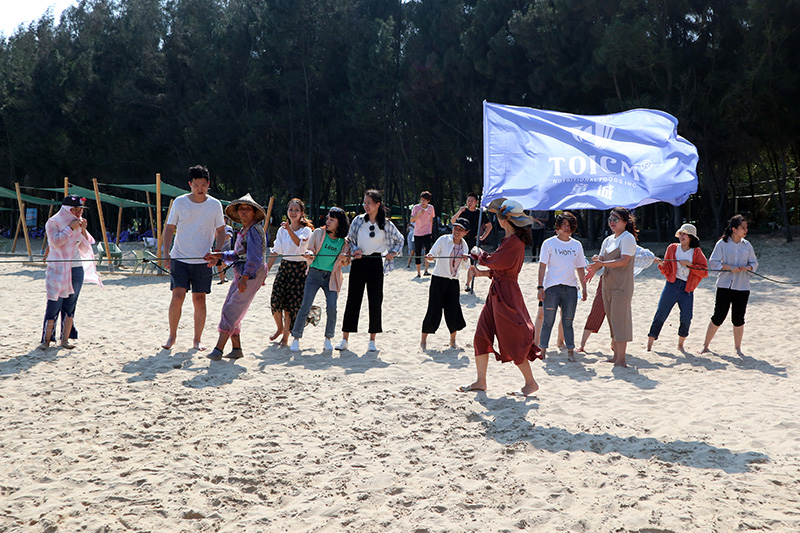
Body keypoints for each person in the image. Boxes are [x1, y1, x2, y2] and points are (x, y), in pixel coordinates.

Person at [458, 198, 541, 397]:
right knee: (481, 335)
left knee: (513, 339)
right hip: (497, 292)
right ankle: (481, 381)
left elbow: (495, 261)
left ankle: (530, 383)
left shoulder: (514, 242)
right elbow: (500, 269)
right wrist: (481, 273)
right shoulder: (509, 240)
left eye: (498, 216)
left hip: (506, 295)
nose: (496, 219)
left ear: (506, 220)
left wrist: (479, 254)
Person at [161, 165, 226, 351]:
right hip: (180, 257)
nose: (200, 188)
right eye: (196, 185)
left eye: (203, 185)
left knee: (199, 299)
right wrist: (166, 253)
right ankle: (172, 336)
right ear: (190, 184)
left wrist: (217, 252)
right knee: (178, 296)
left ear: (208, 184)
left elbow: (221, 230)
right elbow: (169, 228)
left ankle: (197, 340)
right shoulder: (180, 202)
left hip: (203, 260)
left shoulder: (215, 204)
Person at [336, 189, 404, 353]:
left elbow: (400, 239)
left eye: (369, 203)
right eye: (364, 203)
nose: (366, 206)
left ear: (377, 204)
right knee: (353, 300)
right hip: (359, 262)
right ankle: (345, 339)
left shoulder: (386, 223)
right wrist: (355, 250)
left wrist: (393, 253)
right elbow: (350, 239)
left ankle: (372, 340)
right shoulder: (358, 220)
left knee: (375, 301)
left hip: (376, 263)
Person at [203, 194, 268, 361]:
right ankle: (236, 348)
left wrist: (245, 277)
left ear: (254, 213)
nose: (244, 211)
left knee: (232, 309)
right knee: (230, 306)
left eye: (248, 209)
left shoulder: (254, 230)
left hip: (251, 274)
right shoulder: (244, 231)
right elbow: (237, 255)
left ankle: (218, 350)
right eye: (241, 209)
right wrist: (219, 255)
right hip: (242, 272)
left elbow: (255, 258)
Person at [38, 195, 103, 349]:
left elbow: (87, 244)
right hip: (58, 269)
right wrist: (70, 228)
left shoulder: (78, 222)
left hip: (76, 268)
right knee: (54, 302)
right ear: (67, 209)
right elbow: (55, 242)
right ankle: (46, 340)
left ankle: (65, 339)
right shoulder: (53, 221)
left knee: (70, 304)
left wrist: (83, 230)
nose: (79, 212)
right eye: (75, 209)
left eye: (81, 209)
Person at [289, 208, 351, 353]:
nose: (327, 222)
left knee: (332, 308)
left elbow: (346, 262)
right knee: (305, 305)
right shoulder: (318, 232)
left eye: (332, 220)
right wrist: (309, 254)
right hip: (314, 274)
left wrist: (345, 258)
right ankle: (296, 338)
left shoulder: (344, 242)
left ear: (339, 222)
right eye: (327, 218)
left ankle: (328, 339)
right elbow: (310, 249)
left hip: (332, 277)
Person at [577, 245, 657, 352]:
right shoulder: (611, 243)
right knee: (597, 310)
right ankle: (582, 344)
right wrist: (600, 261)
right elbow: (601, 260)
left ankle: (614, 342)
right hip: (607, 279)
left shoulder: (633, 247)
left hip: (623, 283)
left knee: (617, 315)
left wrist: (628, 259)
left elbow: (649, 257)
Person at [585, 207, 637, 367]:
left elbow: (624, 260)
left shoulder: (628, 238)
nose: (612, 222)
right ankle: (615, 357)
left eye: (616, 219)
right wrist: (594, 267)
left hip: (622, 286)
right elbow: (601, 260)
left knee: (620, 321)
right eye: (610, 219)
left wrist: (601, 263)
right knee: (612, 321)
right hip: (607, 285)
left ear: (625, 222)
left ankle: (621, 360)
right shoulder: (608, 240)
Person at [701, 215, 758, 356]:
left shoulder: (747, 245)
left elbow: (754, 263)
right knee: (718, 316)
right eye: (743, 227)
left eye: (746, 227)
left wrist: (748, 268)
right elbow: (713, 262)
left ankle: (737, 348)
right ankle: (705, 345)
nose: (745, 230)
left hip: (742, 286)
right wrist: (729, 267)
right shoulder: (722, 244)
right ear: (734, 229)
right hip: (724, 285)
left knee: (738, 318)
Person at [647, 223, 709, 352]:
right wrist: (661, 263)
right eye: (680, 233)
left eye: (684, 234)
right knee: (660, 314)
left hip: (687, 289)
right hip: (671, 285)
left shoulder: (697, 252)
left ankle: (680, 345)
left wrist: (690, 265)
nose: (681, 236)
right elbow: (667, 269)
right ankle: (649, 346)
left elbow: (704, 272)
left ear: (691, 237)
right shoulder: (672, 248)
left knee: (686, 318)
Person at [536, 212, 587, 362]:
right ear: (557, 226)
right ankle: (542, 350)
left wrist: (584, 287)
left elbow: (580, 268)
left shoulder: (577, 245)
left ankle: (570, 351)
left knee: (568, 321)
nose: (567, 227)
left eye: (570, 225)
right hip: (552, 287)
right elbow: (542, 266)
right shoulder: (549, 243)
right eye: (564, 224)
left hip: (571, 288)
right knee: (548, 321)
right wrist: (540, 287)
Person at [267, 198, 314, 346]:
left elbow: (300, 245)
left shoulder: (306, 230)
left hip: (299, 269)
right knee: (275, 301)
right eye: (291, 210)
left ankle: (285, 338)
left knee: (290, 307)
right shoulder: (282, 229)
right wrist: (266, 270)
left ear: (301, 213)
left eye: (296, 210)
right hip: (285, 266)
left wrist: (289, 229)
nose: (293, 213)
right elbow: (275, 251)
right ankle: (279, 328)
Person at [420, 217, 471, 350]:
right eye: (455, 228)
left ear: (466, 232)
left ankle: (452, 341)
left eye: (460, 230)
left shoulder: (464, 245)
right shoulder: (443, 239)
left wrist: (466, 259)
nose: (457, 231)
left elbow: (466, 266)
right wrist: (430, 257)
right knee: (433, 309)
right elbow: (432, 254)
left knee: (453, 311)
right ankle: (423, 341)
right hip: (439, 279)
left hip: (453, 282)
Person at [451, 192, 493, 293]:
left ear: (476, 202)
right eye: (468, 200)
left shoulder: (480, 213)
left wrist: (483, 237)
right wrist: (459, 211)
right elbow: (452, 221)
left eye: (472, 201)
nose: (469, 203)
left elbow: (489, 226)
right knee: (455, 260)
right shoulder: (463, 212)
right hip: (461, 239)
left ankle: (468, 284)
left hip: (473, 241)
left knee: (472, 263)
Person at [410, 191, 435, 277]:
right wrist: (419, 213)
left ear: (428, 201)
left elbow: (431, 220)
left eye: (424, 200)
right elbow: (412, 220)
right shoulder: (416, 208)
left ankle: (426, 270)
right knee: (418, 253)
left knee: (427, 252)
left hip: (427, 232)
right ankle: (418, 273)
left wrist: (431, 231)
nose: (422, 201)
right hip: (417, 233)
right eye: (421, 199)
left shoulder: (431, 208)